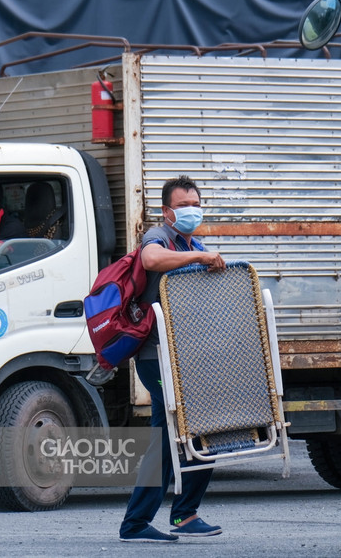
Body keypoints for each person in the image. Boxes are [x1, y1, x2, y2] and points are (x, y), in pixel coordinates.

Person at [119, 175, 226, 544]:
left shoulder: (191, 241)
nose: (191, 210)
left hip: (186, 357)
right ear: (167, 212)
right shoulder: (160, 237)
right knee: (166, 435)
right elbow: (149, 259)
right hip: (155, 356)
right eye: (183, 206)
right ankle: (135, 523)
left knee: (203, 428)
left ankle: (185, 514)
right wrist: (199, 256)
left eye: (195, 203)